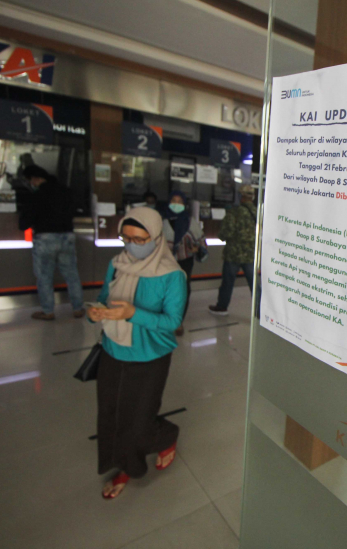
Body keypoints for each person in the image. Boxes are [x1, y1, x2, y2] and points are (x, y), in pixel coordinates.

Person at [87, 207, 187, 500]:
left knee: (139, 422)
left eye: (140, 239)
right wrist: (97, 311)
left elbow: (172, 322)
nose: (132, 245)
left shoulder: (172, 275)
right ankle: (122, 466)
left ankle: (166, 436)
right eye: (126, 237)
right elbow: (106, 297)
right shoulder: (117, 264)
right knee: (110, 415)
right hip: (113, 351)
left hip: (149, 357)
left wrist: (133, 313)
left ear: (156, 238)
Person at [19, 165, 85, 320]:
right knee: (72, 275)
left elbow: (24, 223)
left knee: (44, 277)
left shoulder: (36, 195)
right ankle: (77, 308)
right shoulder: (66, 192)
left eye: (30, 181)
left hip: (45, 238)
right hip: (67, 237)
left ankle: (48, 311)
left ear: (35, 179)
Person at [209, 185, 257, 315]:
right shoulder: (257, 212)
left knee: (228, 283)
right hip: (250, 254)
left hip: (233, 254)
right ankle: (260, 311)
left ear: (241, 196)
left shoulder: (234, 212)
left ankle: (222, 307)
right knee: (254, 284)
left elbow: (224, 234)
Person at [163, 190, 206, 335]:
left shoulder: (190, 221)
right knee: (163, 290)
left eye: (179, 201)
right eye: (173, 201)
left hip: (184, 263)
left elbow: (200, 241)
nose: (176, 204)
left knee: (182, 291)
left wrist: (197, 248)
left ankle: (177, 321)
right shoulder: (159, 220)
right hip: (162, 263)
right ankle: (163, 320)